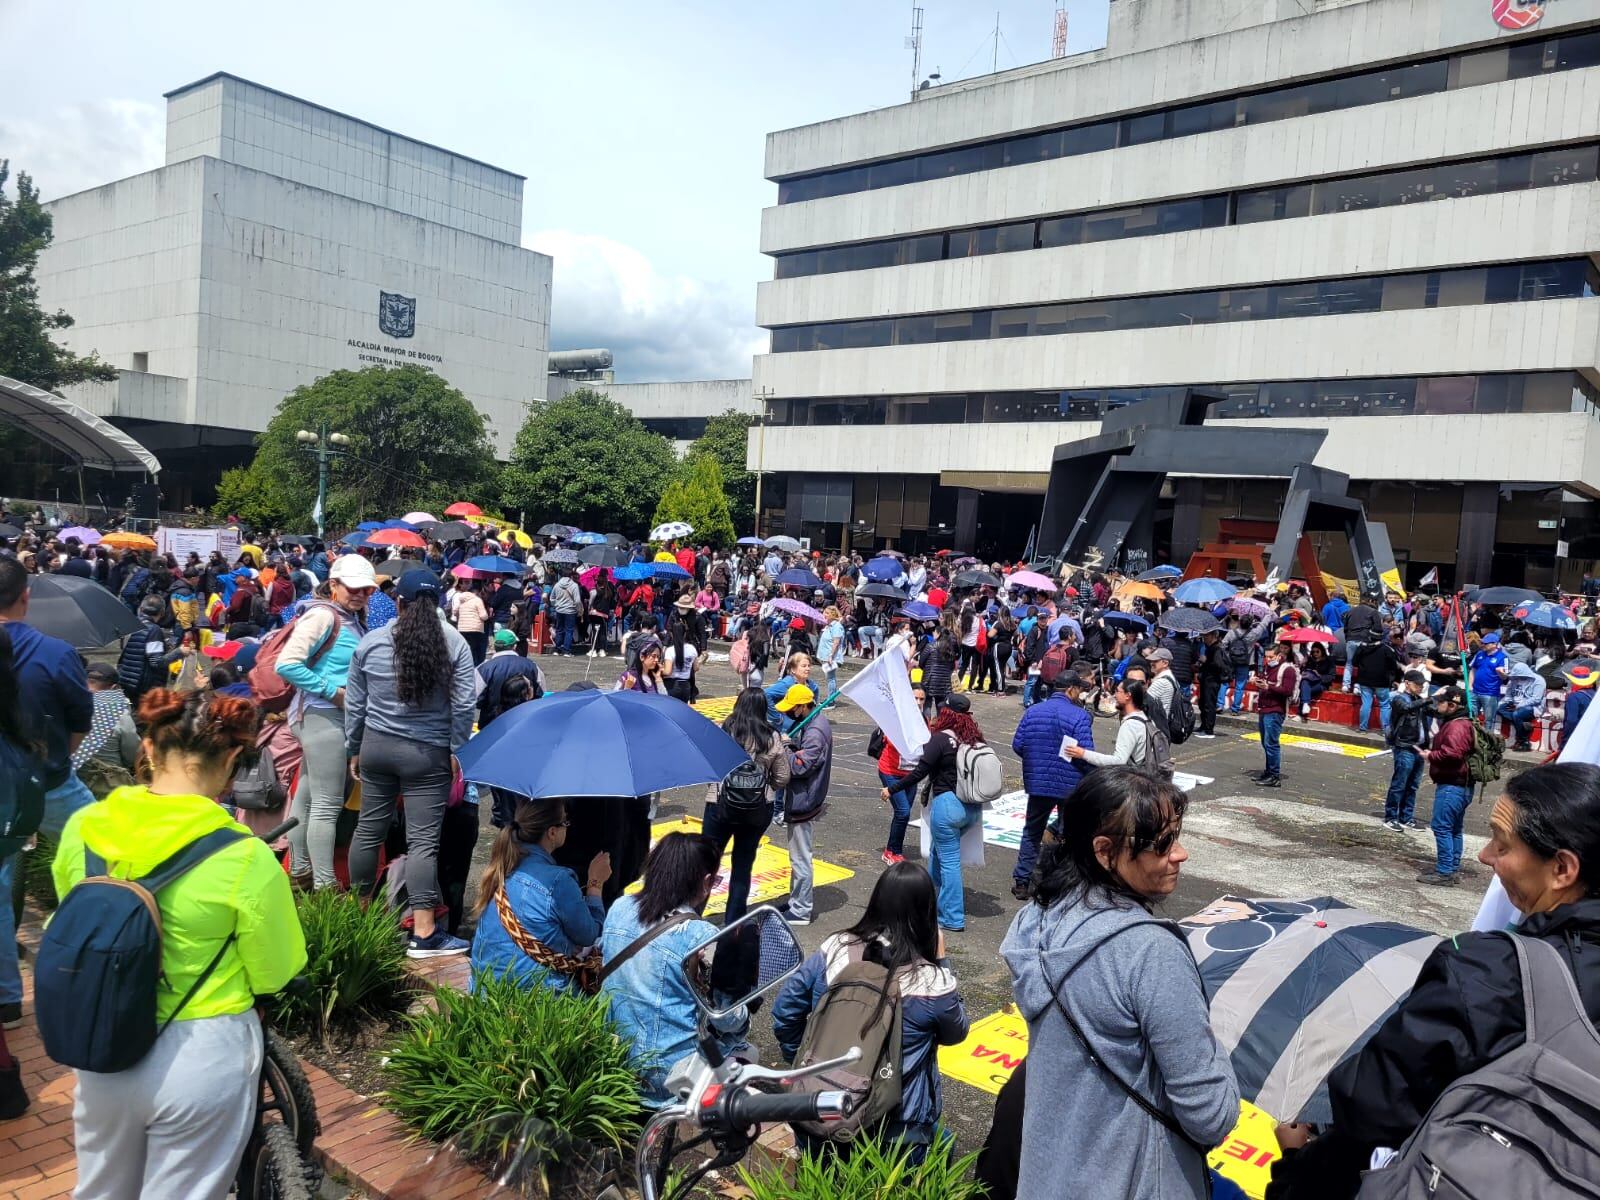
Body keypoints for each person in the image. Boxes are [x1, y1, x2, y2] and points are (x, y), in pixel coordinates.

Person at [1268, 762, 1600, 1200]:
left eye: (1502, 844)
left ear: (1562, 869)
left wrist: (1297, 1160)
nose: (1485, 857)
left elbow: (1373, 1105)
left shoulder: (1489, 973)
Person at [53, 688, 306, 1200]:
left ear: (147, 747)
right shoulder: (245, 858)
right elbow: (273, 971)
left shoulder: (84, 829)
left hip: (101, 1044)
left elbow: (77, 915)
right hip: (202, 1054)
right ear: (234, 758)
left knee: (101, 1189)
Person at [998, 767, 1239, 1200]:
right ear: (1104, 851)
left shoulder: (1034, 920)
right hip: (1132, 1180)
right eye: (1162, 844)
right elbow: (1211, 1116)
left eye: (1177, 836)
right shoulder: (1149, 951)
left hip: (1047, 1175)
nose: (1180, 854)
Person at [773, 861, 969, 1163]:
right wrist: (942, 961)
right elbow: (957, 1032)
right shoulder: (932, 982)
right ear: (926, 914)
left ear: (876, 901)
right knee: (944, 1147)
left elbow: (786, 1007)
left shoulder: (835, 948)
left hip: (822, 1109)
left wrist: (803, 1064)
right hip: (897, 1130)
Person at [344, 570, 477, 956]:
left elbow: (355, 705)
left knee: (368, 830)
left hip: (376, 747)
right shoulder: (454, 643)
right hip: (427, 753)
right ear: (438, 603)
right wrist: (456, 748)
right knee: (423, 843)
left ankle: (357, 916)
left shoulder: (371, 642)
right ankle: (423, 931)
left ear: (397, 602)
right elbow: (465, 702)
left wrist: (354, 746)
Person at [0, 560, 95, 1023]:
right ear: (25, 597)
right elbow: (80, 722)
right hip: (51, 783)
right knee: (102, 862)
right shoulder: (56, 653)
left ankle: (6, 1001)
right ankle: (96, 972)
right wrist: (54, 761)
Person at [600, 832, 746, 1106]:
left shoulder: (619, 908)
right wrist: (744, 1018)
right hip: (665, 1075)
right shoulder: (700, 935)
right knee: (745, 1051)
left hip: (613, 1055)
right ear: (705, 882)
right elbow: (724, 1017)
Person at [278, 553, 371, 891]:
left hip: (322, 715)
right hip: (323, 715)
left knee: (307, 796)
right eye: (353, 587)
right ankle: (324, 887)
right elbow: (287, 664)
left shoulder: (347, 618)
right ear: (333, 585)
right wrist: (335, 693)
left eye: (367, 589)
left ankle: (302, 873)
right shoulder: (322, 617)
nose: (361, 594)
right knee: (326, 804)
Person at [469, 797, 610, 992]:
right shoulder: (558, 880)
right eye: (565, 822)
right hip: (538, 1000)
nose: (567, 827)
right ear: (552, 832)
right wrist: (596, 883)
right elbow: (588, 935)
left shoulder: (502, 866)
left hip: (485, 991)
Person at [889, 694, 986, 932]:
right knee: (936, 852)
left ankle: (952, 917)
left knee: (950, 861)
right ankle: (928, 901)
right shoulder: (973, 738)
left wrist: (891, 789)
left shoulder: (941, 740)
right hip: (972, 808)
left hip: (948, 807)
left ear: (947, 713)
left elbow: (919, 772)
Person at [700, 688, 791, 923]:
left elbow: (709, 765)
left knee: (706, 863)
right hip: (757, 809)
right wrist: (764, 781)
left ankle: (693, 916)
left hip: (720, 805)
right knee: (742, 867)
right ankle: (733, 923)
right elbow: (782, 778)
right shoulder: (772, 737)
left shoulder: (725, 730)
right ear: (763, 709)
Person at [1011, 662, 1096, 902]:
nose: (1079, 693)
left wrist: (1036, 759)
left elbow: (1018, 745)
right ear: (1071, 690)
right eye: (1078, 689)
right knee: (1068, 833)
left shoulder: (1034, 711)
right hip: (1069, 783)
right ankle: (1060, 880)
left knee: (1032, 831)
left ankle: (1022, 881)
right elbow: (1085, 752)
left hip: (1038, 782)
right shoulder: (1079, 716)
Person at [776, 683, 831, 927]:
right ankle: (795, 899)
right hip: (802, 796)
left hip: (804, 798)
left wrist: (785, 748)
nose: (789, 712)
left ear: (802, 706)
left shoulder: (816, 731)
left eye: (792, 708)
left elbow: (800, 766)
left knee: (800, 857)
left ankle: (801, 909)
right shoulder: (813, 722)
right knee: (797, 856)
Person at [1416, 686, 1475, 887]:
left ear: (1452, 705)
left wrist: (1430, 756)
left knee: (1442, 827)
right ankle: (1451, 866)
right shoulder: (1460, 722)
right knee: (1454, 829)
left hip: (1452, 786)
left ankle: (1445, 872)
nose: (1437, 704)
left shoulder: (1457, 726)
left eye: (1441, 701)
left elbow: (1453, 754)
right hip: (1460, 785)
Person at [1066, 675, 1163, 773]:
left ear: (1127, 695)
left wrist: (1083, 753)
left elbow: (1118, 760)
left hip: (1134, 779)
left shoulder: (1131, 725)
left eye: (1117, 691)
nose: (1114, 695)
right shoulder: (1145, 719)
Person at [877, 677, 927, 866]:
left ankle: (892, 849)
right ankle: (892, 852)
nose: (919, 703)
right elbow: (892, 742)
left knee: (902, 813)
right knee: (904, 811)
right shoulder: (897, 718)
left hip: (910, 774)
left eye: (922, 699)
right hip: (890, 770)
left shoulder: (923, 718)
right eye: (915, 698)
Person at [73, 662, 141, 797]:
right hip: (108, 783)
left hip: (74, 781)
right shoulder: (120, 716)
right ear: (114, 687)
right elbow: (132, 754)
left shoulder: (69, 708)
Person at [1383, 670, 1430, 831]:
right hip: (1404, 746)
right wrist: (1427, 701)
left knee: (1413, 785)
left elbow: (1434, 711)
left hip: (1419, 748)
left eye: (1422, 685)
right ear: (1408, 683)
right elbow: (1407, 708)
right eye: (1418, 685)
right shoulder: (1398, 699)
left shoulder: (1420, 701)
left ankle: (1406, 817)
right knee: (1399, 783)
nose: (1420, 687)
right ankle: (1390, 817)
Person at [476, 627, 545, 728]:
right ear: (515, 646)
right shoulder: (532, 666)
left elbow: (475, 698)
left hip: (491, 724)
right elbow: (541, 693)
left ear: (494, 647)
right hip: (523, 722)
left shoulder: (484, 668)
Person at [1253, 642, 1299, 788]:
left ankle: (1274, 775)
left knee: (1271, 743)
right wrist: (1258, 681)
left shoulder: (1288, 670)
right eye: (1266, 657)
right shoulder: (1268, 667)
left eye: (1271, 657)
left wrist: (1269, 687)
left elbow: (1287, 691)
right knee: (1265, 743)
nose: (1268, 659)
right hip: (1264, 708)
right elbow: (1264, 681)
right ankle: (1268, 772)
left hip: (1275, 710)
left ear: (1279, 656)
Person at [115, 594, 176, 702]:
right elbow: (156, 662)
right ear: (162, 613)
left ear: (141, 609)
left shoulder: (131, 625)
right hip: (143, 685)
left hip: (126, 679)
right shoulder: (154, 630)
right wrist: (179, 652)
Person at [1351, 630, 1401, 734]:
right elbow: (1393, 666)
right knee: (1385, 705)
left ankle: (1362, 728)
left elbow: (1354, 662)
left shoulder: (1362, 648)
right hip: (1382, 681)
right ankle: (1385, 730)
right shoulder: (1387, 650)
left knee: (1366, 704)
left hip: (1365, 680)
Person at [1497, 659, 1548, 752]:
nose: (1517, 677)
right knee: (1499, 709)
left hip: (1533, 707)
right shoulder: (1513, 679)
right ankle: (1524, 725)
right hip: (1515, 704)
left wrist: (1520, 705)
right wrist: (1506, 702)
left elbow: (1536, 699)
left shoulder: (1538, 680)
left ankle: (1523, 741)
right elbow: (1508, 694)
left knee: (1517, 714)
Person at [1468, 631, 1508, 728]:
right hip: (1475, 692)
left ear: (1495, 644)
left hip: (1490, 694)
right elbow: (1473, 670)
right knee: (1471, 719)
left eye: (1486, 643)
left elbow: (1505, 677)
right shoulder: (1479, 654)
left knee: (1489, 721)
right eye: (1482, 642)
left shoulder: (1503, 657)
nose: (1483, 645)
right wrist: (1469, 687)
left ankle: (1487, 742)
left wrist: (1501, 673)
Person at [1562, 659, 1599, 748]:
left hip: (1578, 737)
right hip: (1593, 736)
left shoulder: (1574, 697)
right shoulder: (1595, 694)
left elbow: (1571, 721)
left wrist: (1564, 742)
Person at [548, 570, 582, 656]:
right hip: (570, 611)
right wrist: (578, 610)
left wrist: (557, 605)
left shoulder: (557, 584)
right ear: (571, 576)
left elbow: (551, 598)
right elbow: (577, 601)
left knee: (559, 629)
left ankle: (557, 649)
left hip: (559, 610)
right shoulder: (574, 585)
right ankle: (566, 650)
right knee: (569, 630)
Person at [816, 604, 846, 697]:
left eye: (827, 613)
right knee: (829, 678)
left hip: (832, 657)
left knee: (831, 678)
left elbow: (836, 642)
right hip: (826, 655)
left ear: (833, 615)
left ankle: (831, 701)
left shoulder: (836, 626)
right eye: (824, 612)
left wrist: (830, 656)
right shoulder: (829, 625)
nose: (824, 614)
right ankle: (830, 698)